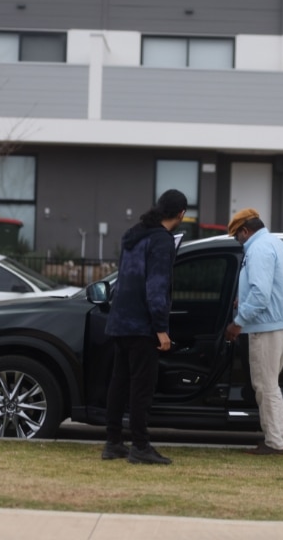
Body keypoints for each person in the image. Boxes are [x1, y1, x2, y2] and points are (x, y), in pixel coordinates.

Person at [101, 189, 188, 465]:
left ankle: (113, 442)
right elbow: (156, 286)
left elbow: (127, 278)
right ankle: (140, 446)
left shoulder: (135, 233)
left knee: (119, 383)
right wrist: (161, 328)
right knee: (142, 387)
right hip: (142, 325)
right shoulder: (161, 240)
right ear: (181, 213)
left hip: (119, 320)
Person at [225, 208, 283, 455]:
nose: (238, 242)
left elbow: (260, 294)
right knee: (271, 384)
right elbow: (275, 287)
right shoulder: (278, 244)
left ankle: (273, 443)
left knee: (264, 386)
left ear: (245, 231)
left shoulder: (257, 249)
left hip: (266, 326)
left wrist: (238, 322)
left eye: (237, 236)